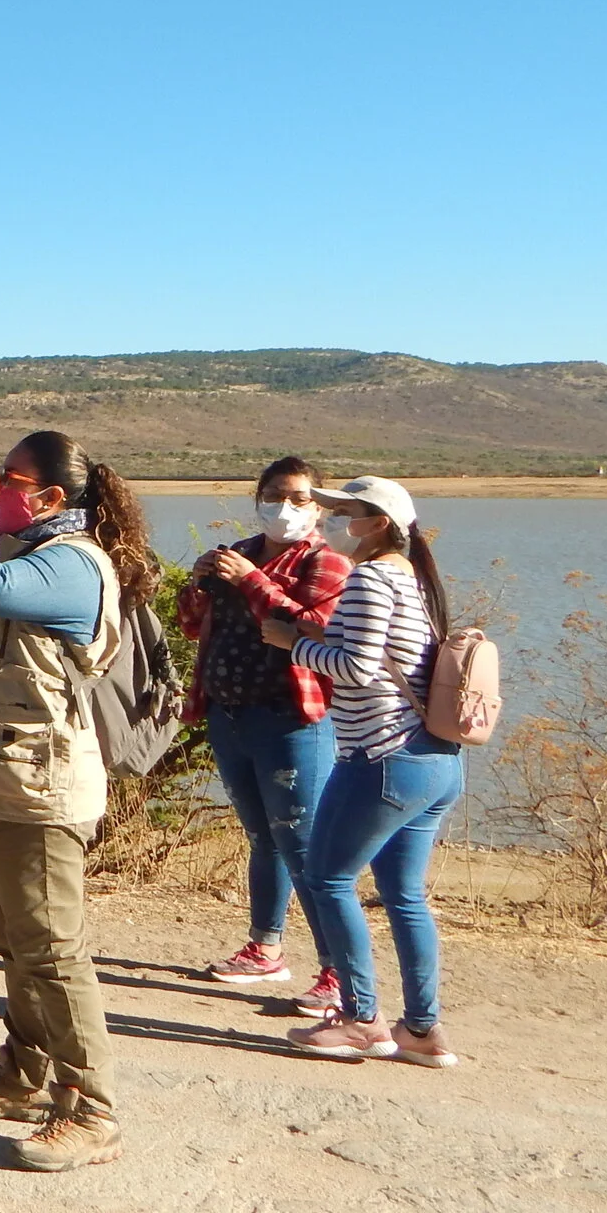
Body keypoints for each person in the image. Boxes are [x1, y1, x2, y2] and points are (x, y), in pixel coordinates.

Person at [0, 432, 157, 1173]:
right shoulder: (20, 549)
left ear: (51, 497)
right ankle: (24, 1073)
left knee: (53, 951)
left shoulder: (72, 564)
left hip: (39, 792)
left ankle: (93, 1111)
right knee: (17, 943)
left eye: (9, 477)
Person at [267, 477, 465, 1068]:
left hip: (381, 759)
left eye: (345, 512)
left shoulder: (371, 578)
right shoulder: (414, 579)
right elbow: (383, 654)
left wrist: (290, 643)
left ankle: (360, 1020)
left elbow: (356, 668)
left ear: (377, 523)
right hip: (434, 760)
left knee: (328, 879)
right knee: (404, 895)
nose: (331, 521)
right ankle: (422, 1030)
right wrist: (317, 634)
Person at [177, 456, 350, 1011]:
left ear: (319, 506)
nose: (285, 507)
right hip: (229, 715)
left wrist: (251, 582)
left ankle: (339, 973)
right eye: (275, 495)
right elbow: (191, 624)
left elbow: (317, 626)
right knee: (264, 838)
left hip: (291, 718)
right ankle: (266, 949)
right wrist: (200, 583)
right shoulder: (241, 552)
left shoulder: (326, 560)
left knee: (304, 843)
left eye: (299, 498)